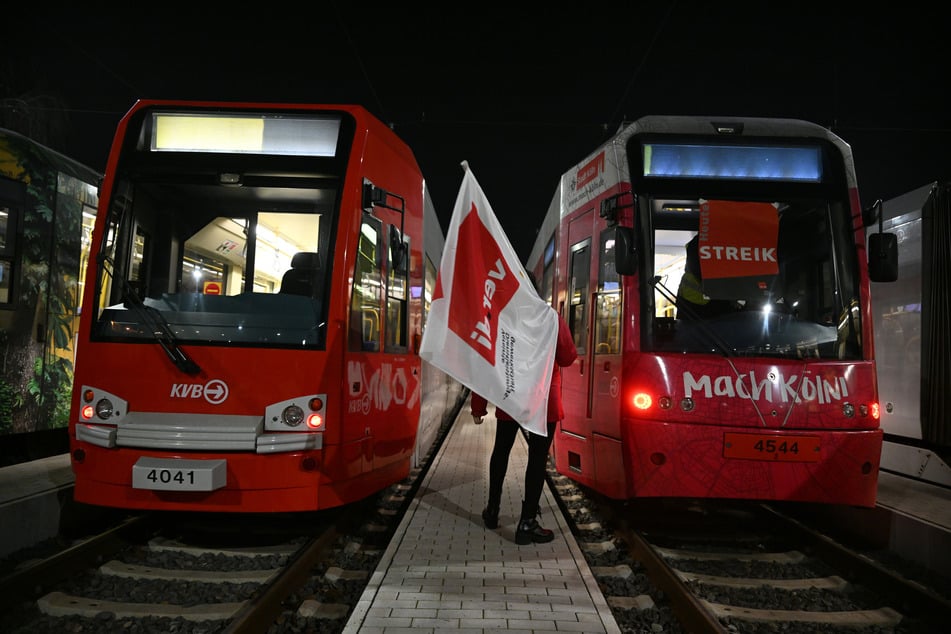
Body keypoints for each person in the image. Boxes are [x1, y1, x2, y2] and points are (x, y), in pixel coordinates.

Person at [470, 273, 577, 545]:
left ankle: (492, 511)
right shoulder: (551, 317)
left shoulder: (500, 318)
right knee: (537, 460)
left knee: (501, 451)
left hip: (512, 401)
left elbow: (485, 363)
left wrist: (478, 406)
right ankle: (527, 523)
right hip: (543, 404)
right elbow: (567, 357)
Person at [675, 235, 734, 319]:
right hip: (693, 304)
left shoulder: (725, 243)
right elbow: (699, 270)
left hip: (695, 302)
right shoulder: (699, 243)